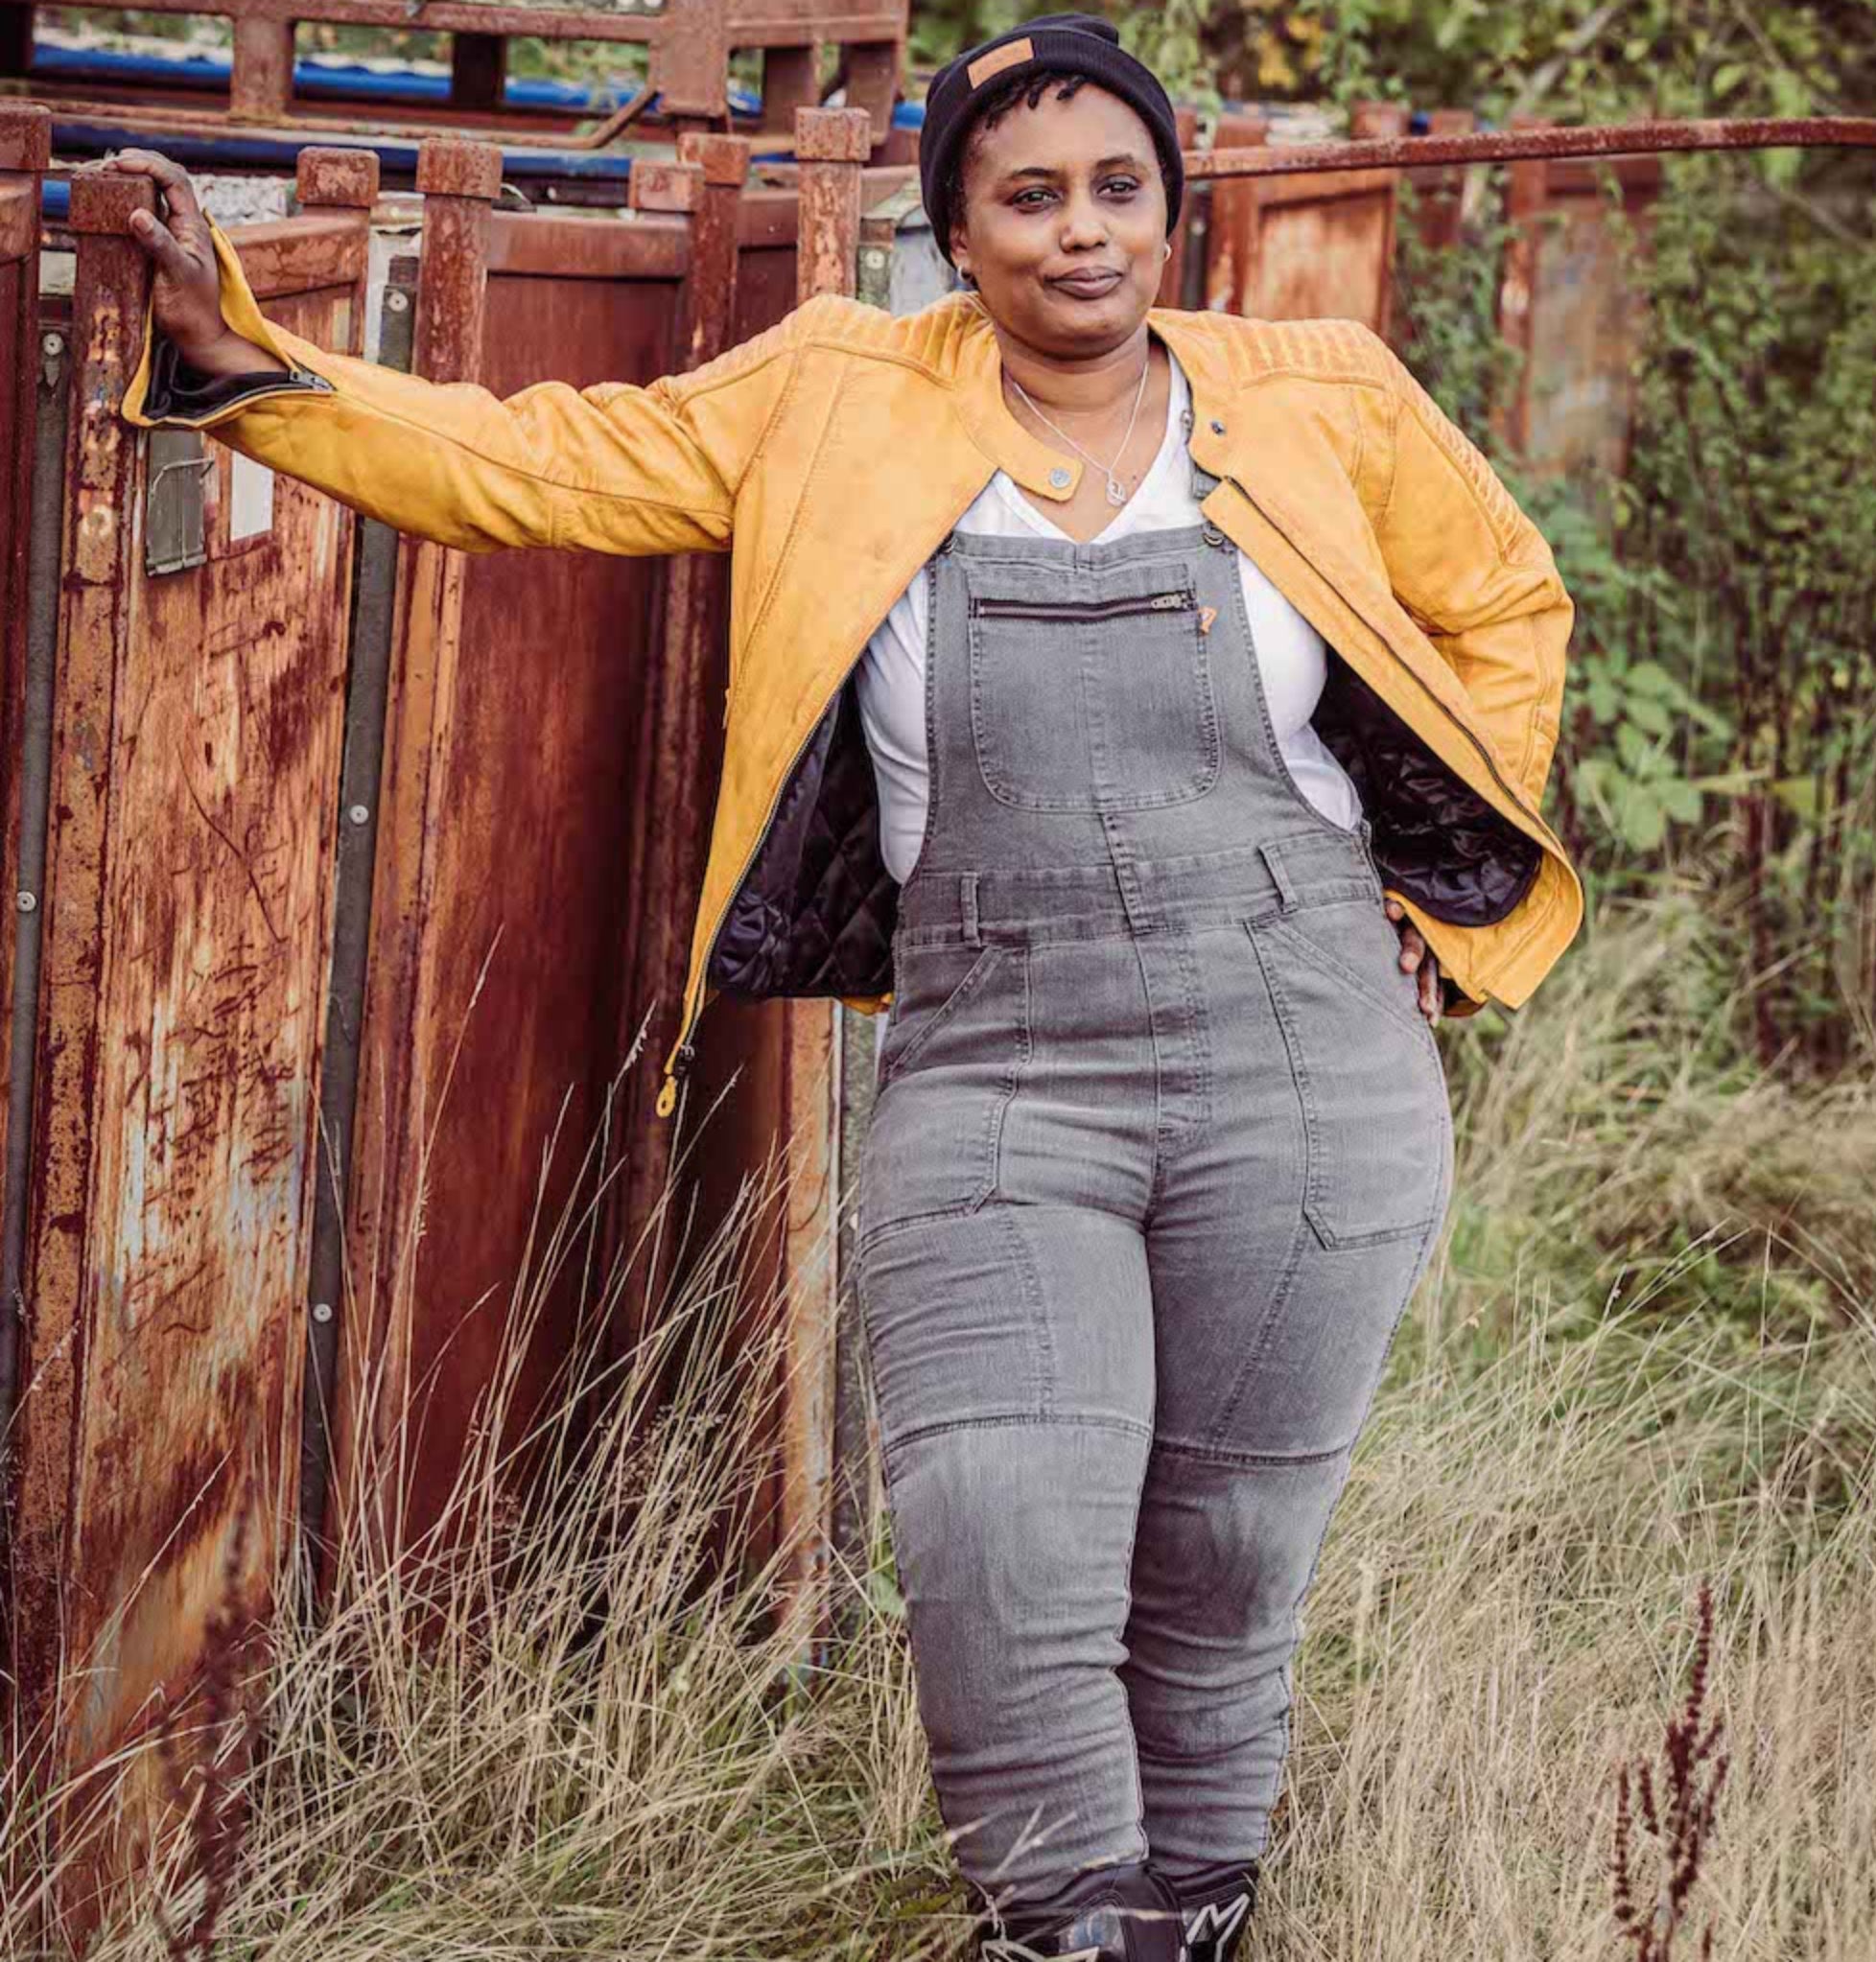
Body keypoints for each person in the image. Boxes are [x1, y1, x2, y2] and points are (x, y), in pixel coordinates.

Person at [110, 13, 1581, 1956]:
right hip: (996, 1066)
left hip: (1303, 1053)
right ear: (954, 233)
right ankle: (1067, 1921)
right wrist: (255, 362)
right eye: (1028, 197)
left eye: (1118, 191)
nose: (1082, 236)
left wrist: (1439, 898)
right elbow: (545, 465)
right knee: (994, 1534)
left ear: (1175, 210)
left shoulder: (1322, 392)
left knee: (1223, 1559)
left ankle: (1195, 1912)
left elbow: (1504, 601)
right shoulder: (836, 393)